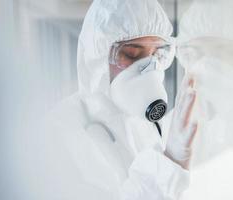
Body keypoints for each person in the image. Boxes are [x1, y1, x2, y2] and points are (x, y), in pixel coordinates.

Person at [36, 0, 198, 199]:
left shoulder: (147, 123)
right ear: (98, 57)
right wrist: (169, 162)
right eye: (131, 54)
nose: (149, 68)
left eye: (156, 55)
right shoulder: (59, 130)